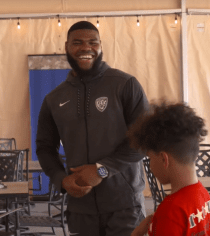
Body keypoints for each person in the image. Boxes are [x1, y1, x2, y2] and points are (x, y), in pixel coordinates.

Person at [35, 21, 149, 236]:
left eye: (92, 42)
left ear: (101, 46)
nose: (85, 48)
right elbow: (44, 147)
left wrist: (102, 169)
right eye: (77, 43)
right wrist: (61, 179)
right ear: (66, 46)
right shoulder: (54, 98)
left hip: (124, 206)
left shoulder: (125, 84)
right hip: (80, 209)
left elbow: (143, 140)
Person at [127, 102, 210, 236]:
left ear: (164, 159)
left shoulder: (170, 212)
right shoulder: (203, 195)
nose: (150, 167)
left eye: (150, 159)